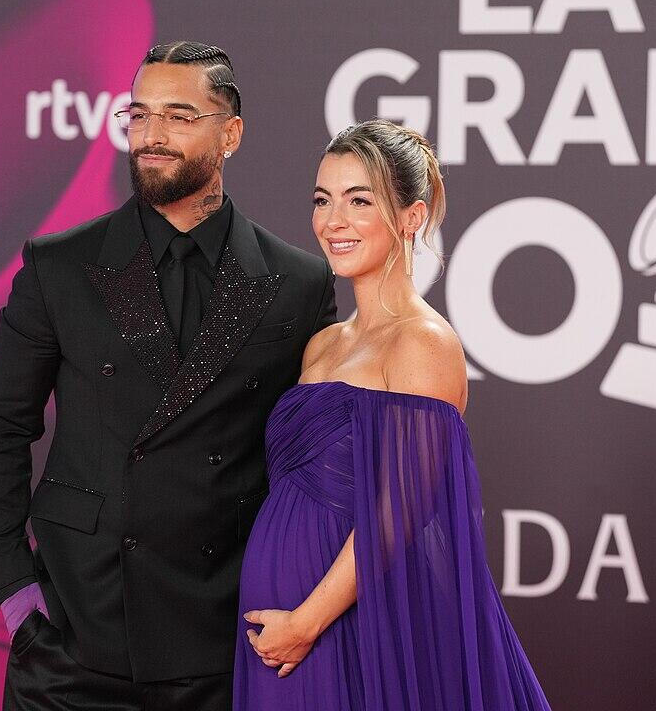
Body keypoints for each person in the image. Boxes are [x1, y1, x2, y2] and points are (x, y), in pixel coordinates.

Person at [0, 41, 336, 710]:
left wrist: (300, 600)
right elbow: (3, 425)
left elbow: (311, 462)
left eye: (178, 116)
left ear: (231, 134)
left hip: (223, 634)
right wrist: (13, 590)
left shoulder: (297, 284)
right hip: (72, 632)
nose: (151, 136)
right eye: (138, 116)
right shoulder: (60, 265)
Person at [233, 119, 551, 710]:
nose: (334, 221)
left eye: (360, 200)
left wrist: (306, 621)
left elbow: (400, 510)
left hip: (349, 626)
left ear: (411, 216)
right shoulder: (322, 344)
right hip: (277, 630)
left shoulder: (424, 344)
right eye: (323, 200)